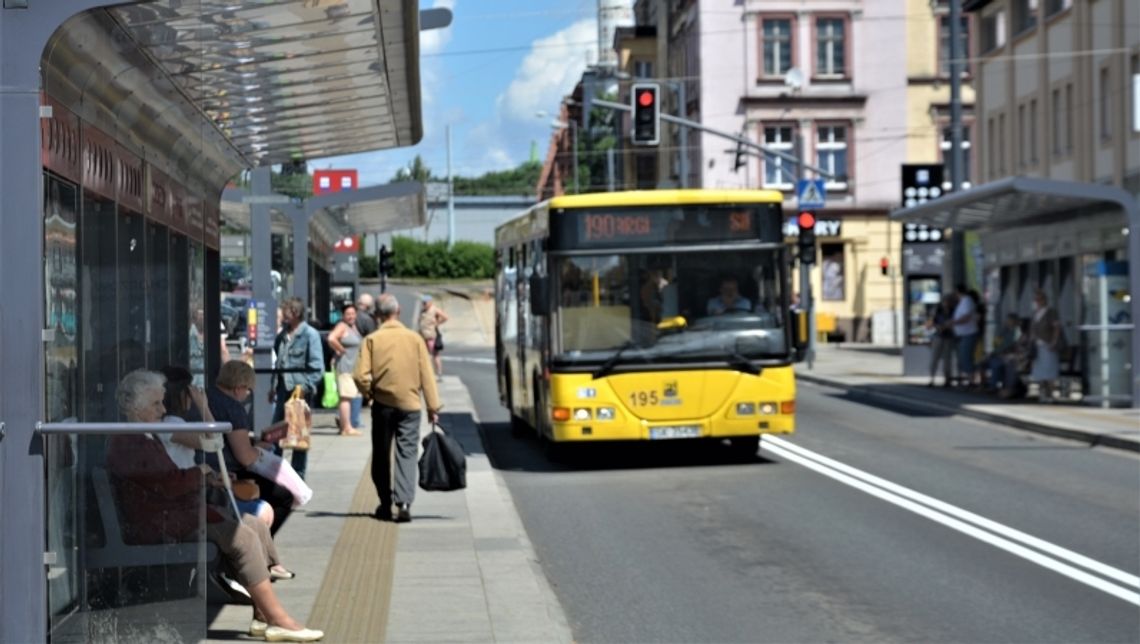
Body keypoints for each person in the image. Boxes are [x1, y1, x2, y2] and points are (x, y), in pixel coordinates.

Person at [108, 370, 322, 642]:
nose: (163, 409)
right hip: (160, 522)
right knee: (242, 537)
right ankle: (279, 619)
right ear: (135, 408)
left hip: (171, 513)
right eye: (155, 404)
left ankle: (262, 614)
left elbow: (166, 480)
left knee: (254, 525)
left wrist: (203, 477)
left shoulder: (141, 437)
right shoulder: (130, 442)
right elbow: (169, 482)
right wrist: (201, 474)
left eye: (162, 402)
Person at [161, 366, 294, 579]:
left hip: (196, 489)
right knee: (252, 518)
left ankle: (267, 568)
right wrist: (203, 407)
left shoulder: (174, 424)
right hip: (188, 501)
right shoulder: (170, 425)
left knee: (254, 522)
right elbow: (215, 442)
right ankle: (254, 575)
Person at [354, 294, 441, 523]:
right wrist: (433, 406)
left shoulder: (371, 340)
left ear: (378, 316)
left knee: (382, 455)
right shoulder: (415, 339)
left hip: (382, 405)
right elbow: (427, 375)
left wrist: (370, 394)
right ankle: (404, 502)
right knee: (407, 453)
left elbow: (359, 376)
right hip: (411, 406)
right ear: (399, 311)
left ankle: (385, 502)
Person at [209, 360, 294, 535]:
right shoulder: (233, 408)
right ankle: (262, 540)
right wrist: (262, 447)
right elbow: (245, 457)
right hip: (226, 471)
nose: (248, 394)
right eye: (248, 389)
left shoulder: (208, 396)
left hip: (209, 466)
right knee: (284, 495)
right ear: (238, 388)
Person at [271, 297, 323, 479]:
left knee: (298, 439)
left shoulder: (310, 335)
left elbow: (317, 368)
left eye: (286, 310)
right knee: (275, 436)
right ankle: (275, 474)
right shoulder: (282, 335)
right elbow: (278, 363)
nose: (283, 314)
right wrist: (273, 387)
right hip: (282, 391)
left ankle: (297, 478)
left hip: (299, 393)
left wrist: (305, 387)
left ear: (295, 313)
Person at [326, 304, 364, 436]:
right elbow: (331, 338)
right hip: (345, 367)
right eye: (348, 314)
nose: (351, 316)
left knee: (349, 396)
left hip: (352, 367)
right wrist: (340, 349)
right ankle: (346, 427)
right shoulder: (342, 326)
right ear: (343, 315)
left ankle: (346, 426)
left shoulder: (352, 327)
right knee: (345, 397)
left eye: (353, 313)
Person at [1030, 290, 1063, 402]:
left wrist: (1054, 342)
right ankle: (1042, 392)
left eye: (1039, 299)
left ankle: (1051, 394)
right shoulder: (1035, 313)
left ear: (1045, 300)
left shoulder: (1051, 312)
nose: (1037, 302)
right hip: (1037, 345)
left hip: (1048, 344)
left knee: (1049, 371)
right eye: (1036, 299)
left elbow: (1056, 328)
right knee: (1040, 371)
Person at [983, 314, 1021, 393]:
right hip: (1000, 354)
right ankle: (989, 385)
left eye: (1009, 320)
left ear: (1014, 321)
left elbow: (1013, 344)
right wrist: (994, 352)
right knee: (985, 361)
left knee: (997, 364)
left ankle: (997, 387)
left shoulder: (1016, 331)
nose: (1007, 322)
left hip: (1009, 354)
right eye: (1007, 320)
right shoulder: (1004, 330)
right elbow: (997, 343)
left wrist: (1001, 352)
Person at [950, 283, 978, 386]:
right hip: (963, 334)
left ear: (957, 291)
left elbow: (966, 317)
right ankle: (969, 379)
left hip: (968, 333)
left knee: (966, 357)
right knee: (963, 357)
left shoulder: (967, 300)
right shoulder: (963, 301)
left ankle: (972, 380)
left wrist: (953, 322)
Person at [417, 295, 449, 380]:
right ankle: (427, 373)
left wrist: (437, 323)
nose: (424, 304)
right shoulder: (423, 311)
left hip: (431, 335)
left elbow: (445, 317)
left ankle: (439, 373)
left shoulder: (434, 309)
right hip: (423, 335)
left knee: (434, 354)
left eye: (425, 302)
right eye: (423, 302)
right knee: (424, 355)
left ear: (430, 302)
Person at [927, 294, 956, 387]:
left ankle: (947, 379)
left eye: (948, 301)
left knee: (947, 359)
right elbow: (931, 323)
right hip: (938, 336)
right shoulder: (937, 311)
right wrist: (938, 327)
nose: (947, 303)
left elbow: (955, 323)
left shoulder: (953, 311)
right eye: (945, 301)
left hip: (949, 337)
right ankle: (932, 378)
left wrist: (948, 326)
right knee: (935, 358)